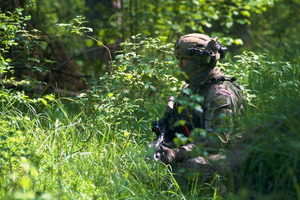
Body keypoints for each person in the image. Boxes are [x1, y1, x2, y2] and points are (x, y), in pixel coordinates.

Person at [150, 33, 244, 192]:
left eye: (184, 60)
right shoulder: (193, 88)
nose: (180, 65)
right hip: (206, 149)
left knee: (193, 166)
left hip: (233, 155)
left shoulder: (220, 94)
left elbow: (217, 140)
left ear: (200, 61)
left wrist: (178, 153)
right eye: (178, 59)